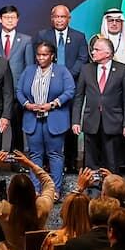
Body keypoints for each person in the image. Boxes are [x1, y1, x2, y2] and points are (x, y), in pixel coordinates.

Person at [17, 41, 76, 194]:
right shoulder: (29, 71)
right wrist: (27, 104)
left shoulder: (62, 71)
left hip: (54, 119)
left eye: (44, 55)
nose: (41, 58)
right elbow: (19, 90)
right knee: (35, 155)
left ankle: (54, 190)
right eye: (38, 55)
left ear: (52, 56)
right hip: (33, 120)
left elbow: (70, 91)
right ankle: (36, 189)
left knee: (55, 155)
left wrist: (53, 104)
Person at [38, 3, 91, 171]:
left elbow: (83, 60)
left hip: (72, 87)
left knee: (70, 125)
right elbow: (38, 59)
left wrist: (65, 78)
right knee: (47, 126)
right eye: (56, 16)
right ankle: (47, 162)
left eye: (63, 17)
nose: (59, 20)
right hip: (47, 87)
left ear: (69, 18)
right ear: (51, 18)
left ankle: (71, 161)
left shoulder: (79, 37)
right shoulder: (42, 35)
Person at [0, 151, 57, 250]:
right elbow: (49, 183)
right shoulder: (41, 207)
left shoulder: (2, 210)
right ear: (33, 192)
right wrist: (30, 164)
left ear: (10, 192)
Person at [72, 37, 125, 172]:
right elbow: (79, 97)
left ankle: (111, 189)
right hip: (91, 122)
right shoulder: (86, 69)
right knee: (90, 162)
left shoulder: (122, 70)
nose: (93, 52)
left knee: (111, 161)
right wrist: (76, 121)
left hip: (113, 122)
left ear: (107, 53)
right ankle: (92, 190)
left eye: (96, 50)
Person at [0, 5, 35, 151]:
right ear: (0, 19)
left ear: (17, 20)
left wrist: (25, 91)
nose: (9, 20)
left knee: (17, 127)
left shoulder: (26, 40)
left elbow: (29, 67)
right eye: (6, 17)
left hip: (18, 90)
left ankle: (17, 157)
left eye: (13, 17)